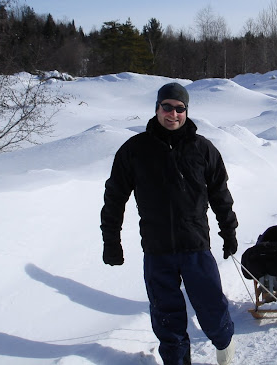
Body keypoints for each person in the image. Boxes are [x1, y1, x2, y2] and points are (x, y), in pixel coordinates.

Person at [100, 82, 237, 365]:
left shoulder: (203, 149)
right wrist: (111, 242)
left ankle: (225, 350)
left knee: (212, 309)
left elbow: (220, 194)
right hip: (157, 251)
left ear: (186, 111)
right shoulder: (134, 150)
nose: (172, 114)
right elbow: (114, 199)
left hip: (196, 247)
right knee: (167, 318)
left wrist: (229, 231)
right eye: (167, 107)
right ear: (157, 108)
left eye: (179, 108)